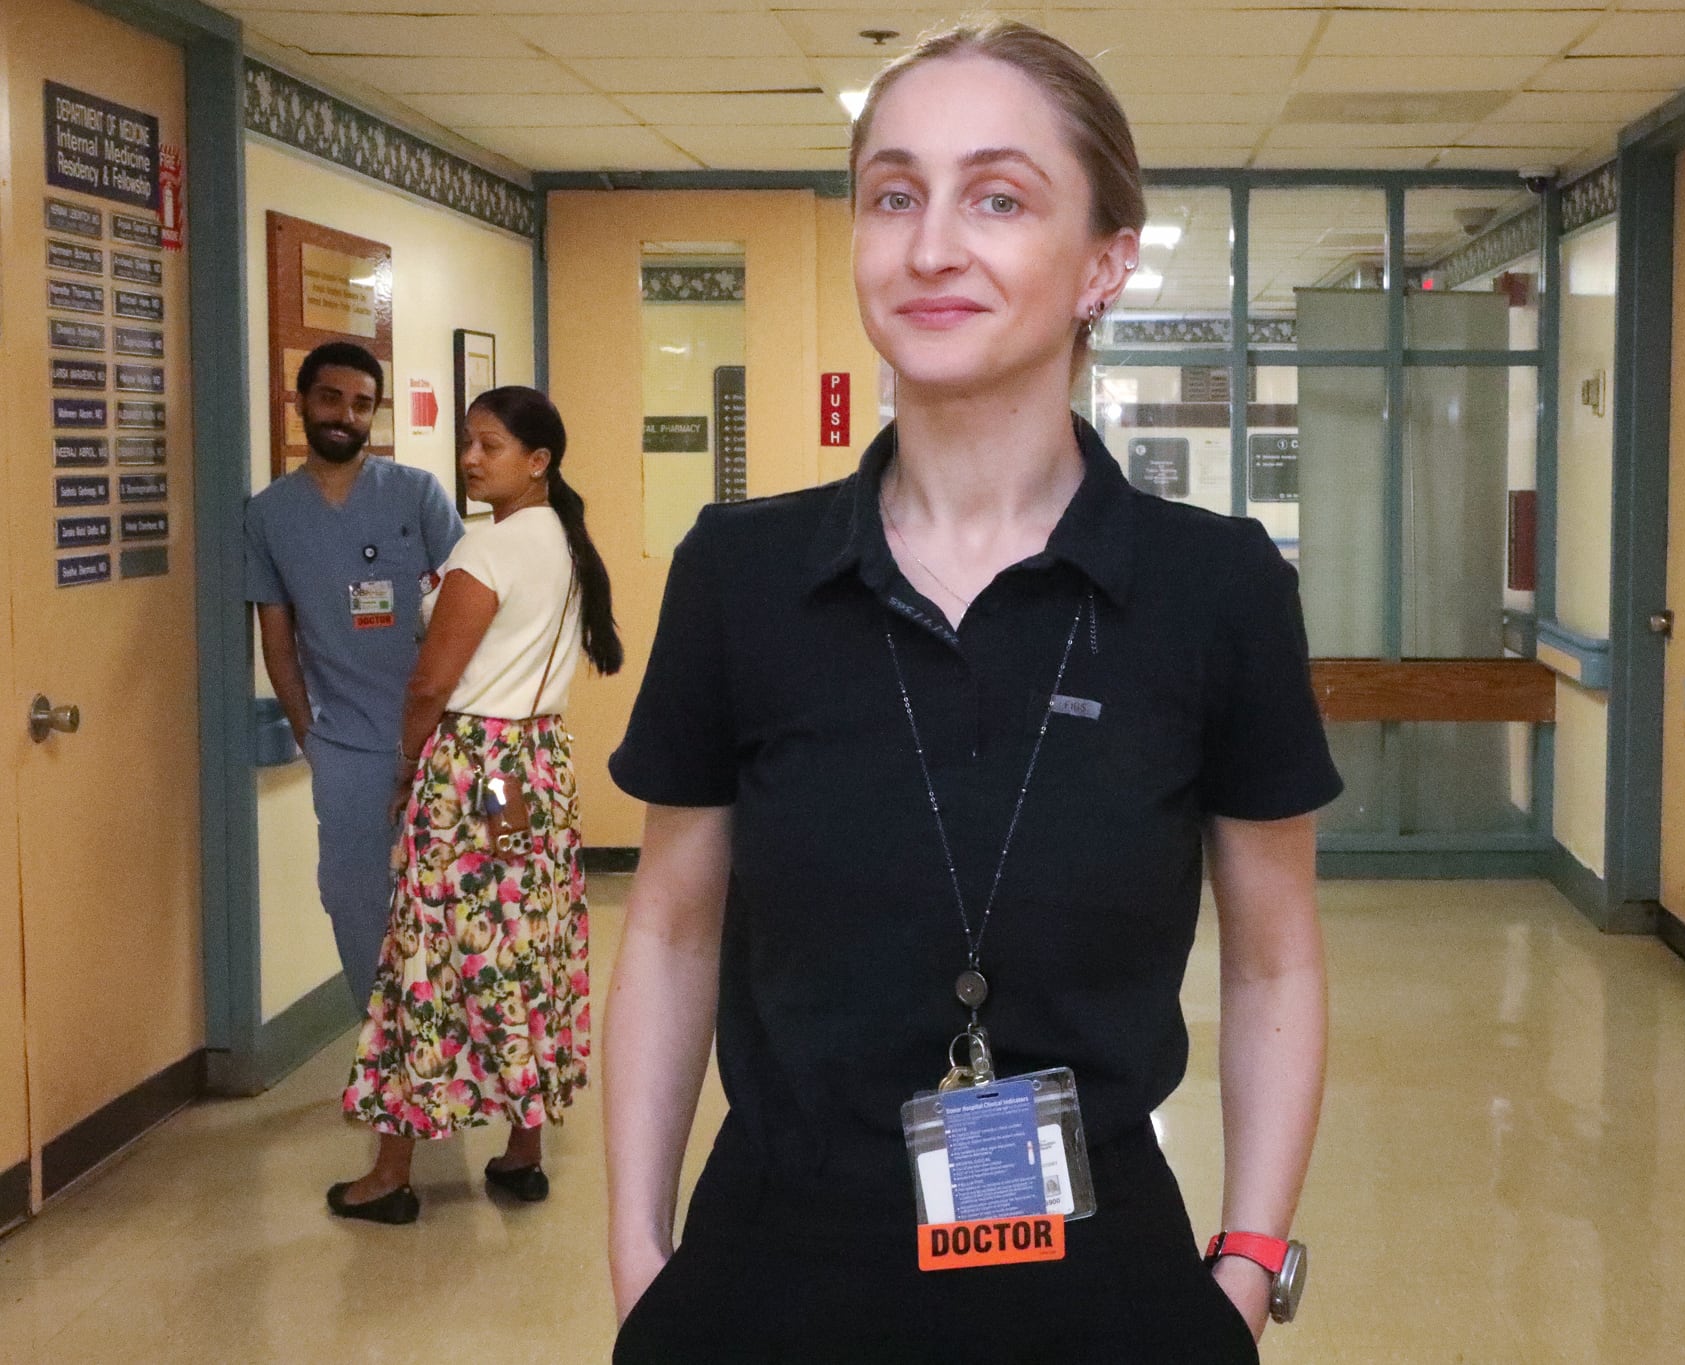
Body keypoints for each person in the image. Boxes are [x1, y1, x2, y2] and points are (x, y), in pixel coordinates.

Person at [604, 19, 1339, 1362]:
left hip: (1101, 1276)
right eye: (894, 195)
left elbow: (1277, 950)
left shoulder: (1213, 589)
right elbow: (669, 933)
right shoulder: (743, 574)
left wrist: (1245, 1261)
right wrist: (639, 1258)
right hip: (774, 1264)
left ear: (1103, 263)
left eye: (997, 198)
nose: (931, 245)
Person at [326, 386, 622, 1224]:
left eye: (488, 446)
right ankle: (523, 1152)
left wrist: (407, 764)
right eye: (466, 442)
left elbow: (430, 683)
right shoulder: (563, 539)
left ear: (538, 462)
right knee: (522, 942)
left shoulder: (485, 556)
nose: (469, 458)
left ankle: (390, 1172)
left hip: (473, 764)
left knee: (427, 950)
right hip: (530, 767)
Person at [246, 341, 466, 1012]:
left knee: (448, 897)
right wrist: (311, 733)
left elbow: (468, 602)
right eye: (331, 398)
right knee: (353, 899)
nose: (346, 415)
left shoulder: (414, 493)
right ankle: (385, 1048)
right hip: (345, 747)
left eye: (362, 403)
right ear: (301, 403)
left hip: (438, 739)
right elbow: (276, 634)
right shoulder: (269, 514)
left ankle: (448, 1045)